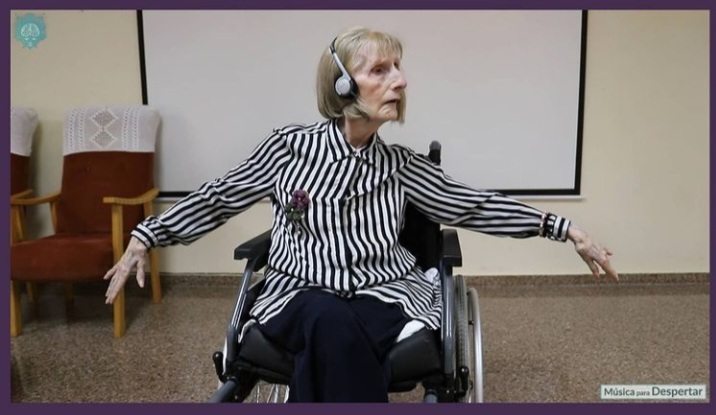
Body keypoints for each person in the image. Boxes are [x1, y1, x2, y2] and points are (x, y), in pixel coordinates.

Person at [104, 26, 618, 402]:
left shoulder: (400, 166)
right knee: (326, 315)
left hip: (385, 295)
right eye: (381, 70)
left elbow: (473, 203)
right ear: (343, 86)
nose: (401, 81)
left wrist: (563, 228)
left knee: (333, 329)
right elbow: (220, 196)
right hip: (297, 294)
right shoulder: (288, 149)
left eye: (399, 69)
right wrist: (147, 235)